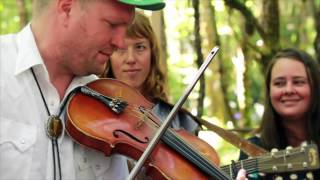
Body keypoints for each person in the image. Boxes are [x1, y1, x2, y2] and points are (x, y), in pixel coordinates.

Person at [0, 0, 165, 179]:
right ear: (66, 8)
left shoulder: (107, 99)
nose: (119, 42)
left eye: (126, 26)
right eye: (112, 24)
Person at [101, 11, 200, 135]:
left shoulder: (180, 121)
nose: (131, 59)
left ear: (152, 54)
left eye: (140, 47)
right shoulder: (93, 113)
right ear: (108, 56)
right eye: (121, 49)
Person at [239, 48, 320, 179]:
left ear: (315, 88)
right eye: (279, 83)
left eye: (298, 82)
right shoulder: (252, 148)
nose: (288, 90)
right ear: (269, 91)